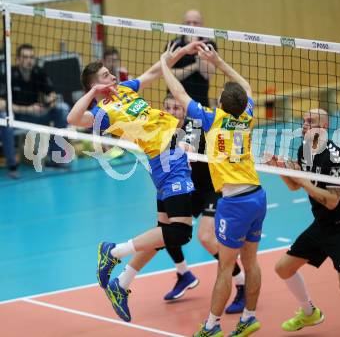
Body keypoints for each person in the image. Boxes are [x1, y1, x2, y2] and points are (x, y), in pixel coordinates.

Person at [67, 40, 202, 324]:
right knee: (180, 233)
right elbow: (73, 117)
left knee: (163, 233)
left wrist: (177, 54)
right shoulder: (104, 113)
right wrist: (93, 92)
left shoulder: (126, 89)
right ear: (96, 85)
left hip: (171, 153)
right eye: (105, 76)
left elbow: (153, 73)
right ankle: (113, 251)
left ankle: (121, 284)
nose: (112, 77)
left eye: (110, 73)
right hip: (166, 158)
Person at [161, 44, 267, 337]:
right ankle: (249, 317)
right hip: (258, 195)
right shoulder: (246, 117)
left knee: (226, 268)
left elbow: (180, 96)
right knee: (251, 260)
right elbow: (244, 86)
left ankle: (211, 326)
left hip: (234, 202)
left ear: (220, 104)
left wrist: (165, 66)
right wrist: (219, 62)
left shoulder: (212, 120)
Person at [266, 109, 340, 332]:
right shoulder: (304, 150)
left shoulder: (338, 157)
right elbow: (294, 186)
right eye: (304, 121)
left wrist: (302, 179)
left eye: (311, 121)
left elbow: (332, 201)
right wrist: (279, 169)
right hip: (322, 225)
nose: (305, 124)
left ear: (324, 126)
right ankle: (309, 313)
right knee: (283, 269)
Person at [163, 93, 246, 314]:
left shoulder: (194, 126)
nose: (172, 112)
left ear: (184, 111)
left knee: (206, 237)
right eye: (168, 108)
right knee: (167, 231)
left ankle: (242, 283)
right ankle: (184, 274)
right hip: (192, 189)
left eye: (176, 108)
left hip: (213, 188)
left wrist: (178, 150)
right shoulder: (163, 128)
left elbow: (187, 146)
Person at [0, 44, 70, 178]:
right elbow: (1, 104)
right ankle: (12, 165)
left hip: (36, 115)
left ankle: (54, 158)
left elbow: (52, 94)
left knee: (63, 109)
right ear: (18, 59)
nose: (29, 60)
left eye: (31, 57)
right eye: (25, 57)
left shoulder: (38, 72)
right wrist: (28, 109)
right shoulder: (8, 75)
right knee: (4, 119)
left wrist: (48, 104)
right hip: (17, 118)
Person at [167, 10, 216, 106]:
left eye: (195, 23)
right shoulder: (174, 45)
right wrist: (195, 66)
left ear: (202, 25)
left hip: (200, 102)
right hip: (176, 103)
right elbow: (170, 75)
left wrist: (196, 48)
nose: (191, 25)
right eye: (188, 22)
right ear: (183, 24)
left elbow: (208, 74)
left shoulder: (209, 45)